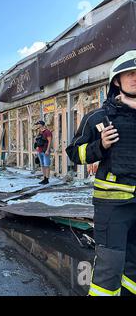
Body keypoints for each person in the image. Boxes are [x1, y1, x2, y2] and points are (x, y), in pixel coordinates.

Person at [66, 50, 136, 296]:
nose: (135, 78)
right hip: (113, 208)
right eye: (130, 73)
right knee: (109, 271)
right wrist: (100, 146)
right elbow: (74, 153)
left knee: (134, 270)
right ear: (117, 80)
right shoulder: (99, 117)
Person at [34, 121, 53, 185]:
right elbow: (37, 141)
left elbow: (49, 142)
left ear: (41, 125)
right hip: (39, 151)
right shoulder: (39, 132)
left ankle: (47, 179)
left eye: (38, 124)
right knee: (42, 165)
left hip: (45, 151)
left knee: (46, 165)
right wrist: (36, 147)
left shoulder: (47, 132)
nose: (37, 126)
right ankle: (44, 178)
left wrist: (47, 150)